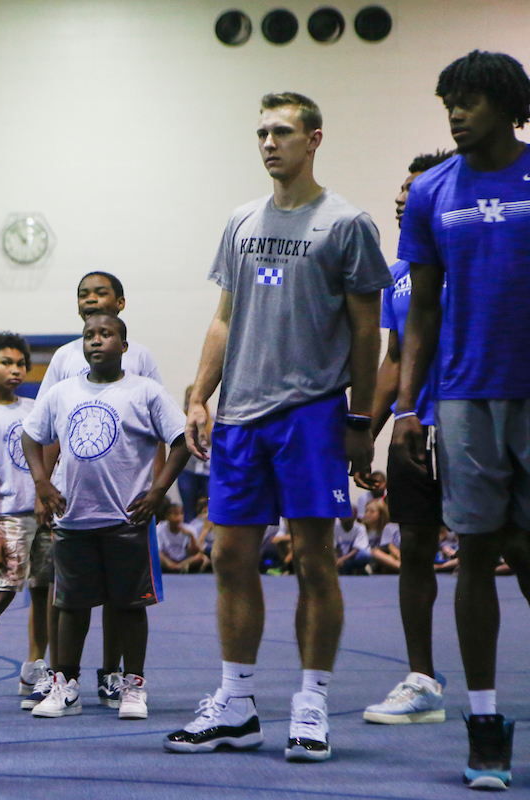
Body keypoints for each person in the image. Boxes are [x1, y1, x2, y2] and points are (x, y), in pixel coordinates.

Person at [165, 92, 391, 763]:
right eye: (262, 131)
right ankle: (236, 704)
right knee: (231, 556)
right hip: (240, 418)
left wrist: (359, 421)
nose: (269, 142)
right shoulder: (241, 220)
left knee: (313, 558)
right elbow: (224, 319)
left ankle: (312, 702)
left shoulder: (347, 223)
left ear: (314, 139)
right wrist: (200, 396)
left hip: (312, 415)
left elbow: (365, 330)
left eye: (283, 132)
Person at [393, 50, 530, 789]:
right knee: (475, 551)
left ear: (509, 105)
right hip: (466, 396)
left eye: (471, 100)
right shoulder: (431, 193)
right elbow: (421, 309)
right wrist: (408, 408)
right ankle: (483, 724)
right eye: (449, 100)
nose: (455, 112)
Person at [22, 312, 188, 722]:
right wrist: (42, 482)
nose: (96, 341)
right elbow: (31, 435)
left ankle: (132, 684)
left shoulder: (145, 391)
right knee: (72, 607)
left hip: (125, 520)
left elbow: (183, 440)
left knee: (130, 606)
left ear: (124, 346)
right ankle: (67, 685)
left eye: (107, 334)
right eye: (89, 335)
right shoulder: (62, 392)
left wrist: (158, 490)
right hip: (74, 519)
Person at [361, 150, 456, 728]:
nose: (401, 197)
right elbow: (392, 359)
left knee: (513, 548)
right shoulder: (396, 277)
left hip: (472, 423)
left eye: (413, 189)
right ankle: (422, 678)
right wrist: (365, 435)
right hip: (412, 430)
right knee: (415, 548)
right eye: (400, 188)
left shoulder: (470, 261)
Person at [0, 331, 50, 732]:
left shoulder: (35, 410)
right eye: (6, 363)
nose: (16, 370)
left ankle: (34, 669)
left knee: (45, 593)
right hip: (5, 517)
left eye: (20, 363)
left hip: (42, 515)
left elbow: (49, 455)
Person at [178, 387, 211, 522]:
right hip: (188, 470)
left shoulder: (212, 419)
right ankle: (190, 541)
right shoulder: (180, 419)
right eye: (189, 396)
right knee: (189, 510)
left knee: (211, 507)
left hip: (208, 471)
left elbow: (211, 441)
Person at [158, 503, 209, 573]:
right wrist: (168, 563)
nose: (179, 517)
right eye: (175, 514)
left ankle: (180, 567)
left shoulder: (190, 529)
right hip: (167, 560)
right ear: (167, 517)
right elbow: (159, 551)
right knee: (155, 555)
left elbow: (195, 552)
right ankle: (173, 567)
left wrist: (191, 537)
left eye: (181, 514)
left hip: (183, 560)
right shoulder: (160, 529)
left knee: (201, 557)